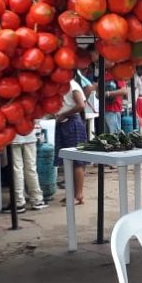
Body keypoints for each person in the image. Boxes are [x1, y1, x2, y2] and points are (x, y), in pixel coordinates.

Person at [55, 76, 88, 204]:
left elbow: (81, 105)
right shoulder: (63, 86)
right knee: (67, 160)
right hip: (64, 122)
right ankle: (71, 193)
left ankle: (78, 195)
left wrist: (64, 114)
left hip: (72, 122)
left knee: (77, 161)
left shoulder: (72, 85)